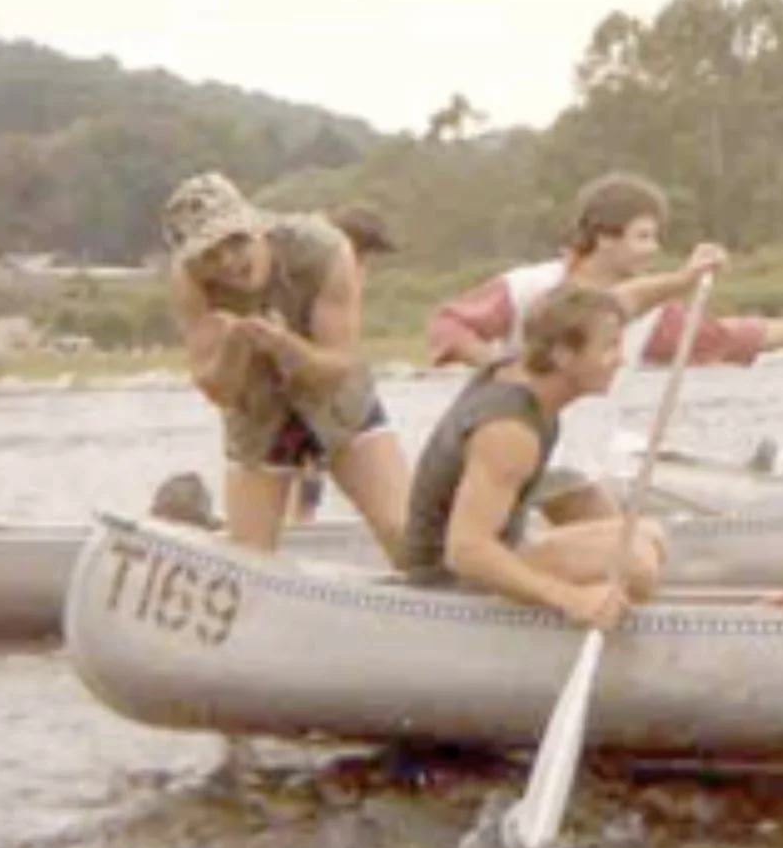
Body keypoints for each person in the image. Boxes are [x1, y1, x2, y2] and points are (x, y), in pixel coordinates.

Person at [424, 171, 783, 506]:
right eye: (643, 236)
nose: (653, 248)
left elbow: (726, 338)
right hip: (510, 457)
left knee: (633, 544)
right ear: (604, 237)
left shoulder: (648, 314)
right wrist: (497, 367)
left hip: (577, 468)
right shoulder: (526, 286)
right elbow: (447, 325)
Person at [162, 171, 411, 563]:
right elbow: (218, 390)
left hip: (336, 402)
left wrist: (284, 345)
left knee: (405, 534)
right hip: (258, 412)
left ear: (253, 226)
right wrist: (232, 348)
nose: (228, 262)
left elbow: (336, 367)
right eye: (210, 254)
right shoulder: (189, 282)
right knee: (247, 561)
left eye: (235, 241)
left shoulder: (323, 250)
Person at [405, 282, 668, 628]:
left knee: (650, 534)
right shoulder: (510, 431)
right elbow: (465, 551)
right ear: (563, 356)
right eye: (610, 347)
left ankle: (611, 611)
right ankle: (593, 622)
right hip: (449, 582)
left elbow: (624, 299)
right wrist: (569, 598)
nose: (621, 359)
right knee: (636, 562)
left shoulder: (523, 374)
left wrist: (684, 279)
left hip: (497, 551)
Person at [284, 204, 401, 526]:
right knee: (306, 452)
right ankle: (300, 518)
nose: (365, 268)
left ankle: (302, 516)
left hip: (333, 380)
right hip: (309, 380)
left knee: (315, 457)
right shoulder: (324, 265)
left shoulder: (341, 267)